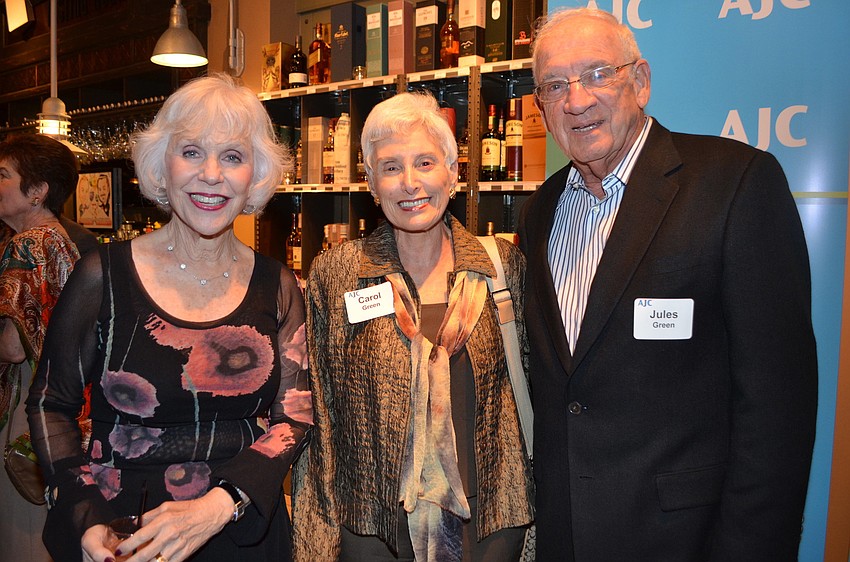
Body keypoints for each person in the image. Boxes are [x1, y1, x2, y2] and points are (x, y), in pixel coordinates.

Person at [518, 7, 817, 561]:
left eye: (597, 74)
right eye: (555, 85)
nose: (576, 99)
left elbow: (778, 410)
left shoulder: (735, 185)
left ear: (642, 81)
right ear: (540, 107)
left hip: (688, 543)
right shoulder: (539, 212)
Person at [26, 73, 312, 562]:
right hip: (123, 530)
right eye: (193, 152)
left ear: (255, 176)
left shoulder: (278, 286)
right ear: (163, 163)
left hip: (240, 530)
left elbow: (295, 416)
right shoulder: (103, 276)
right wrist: (83, 513)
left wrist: (222, 503)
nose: (212, 175)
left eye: (234, 157)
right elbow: (52, 404)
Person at [292, 92, 534, 561]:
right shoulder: (338, 274)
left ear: (454, 172)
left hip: (490, 524)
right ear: (371, 183)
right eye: (390, 167)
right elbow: (320, 418)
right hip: (373, 529)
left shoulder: (500, 267)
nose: (410, 183)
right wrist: (316, 541)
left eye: (425, 162)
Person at [0, 133, 87, 562]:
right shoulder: (61, 240)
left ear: (37, 191)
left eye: (3, 174)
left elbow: (13, 347)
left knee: (20, 529)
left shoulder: (26, 245)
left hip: (22, 398)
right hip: (59, 397)